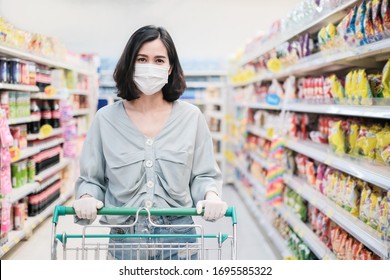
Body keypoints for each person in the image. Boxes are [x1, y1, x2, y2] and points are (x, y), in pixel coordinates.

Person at [72, 25, 228, 260]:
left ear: (170, 67)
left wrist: (211, 195)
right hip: (125, 241)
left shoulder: (191, 117)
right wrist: (86, 198)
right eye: (142, 59)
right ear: (130, 64)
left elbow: (203, 175)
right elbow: (91, 179)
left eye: (159, 60)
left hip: (180, 239)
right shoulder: (105, 120)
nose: (150, 67)